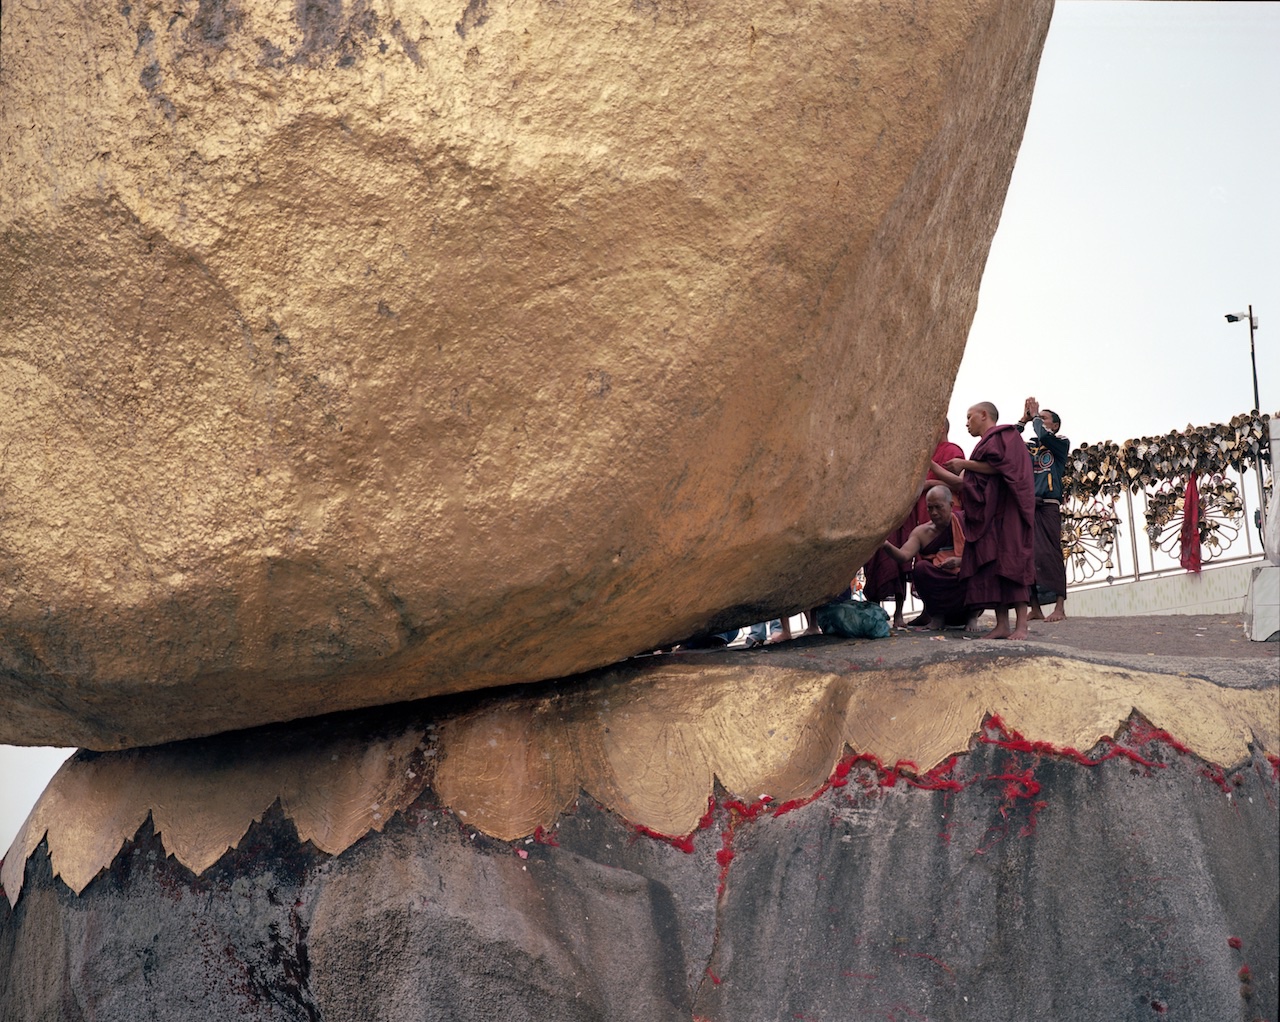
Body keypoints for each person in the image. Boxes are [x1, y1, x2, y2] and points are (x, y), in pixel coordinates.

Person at [945, 402, 1035, 639]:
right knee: (992, 566)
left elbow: (1004, 467)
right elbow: (967, 481)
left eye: (969, 417)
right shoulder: (985, 443)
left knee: (1012, 563)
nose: (966, 423)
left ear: (984, 415)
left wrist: (964, 464)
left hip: (1007, 511)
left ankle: (1022, 626)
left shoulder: (1005, 435)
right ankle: (1002, 625)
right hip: (988, 513)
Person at [881, 484, 968, 629]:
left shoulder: (965, 523)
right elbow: (904, 556)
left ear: (951, 505)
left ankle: (972, 617)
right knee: (921, 568)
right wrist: (885, 545)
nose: (933, 513)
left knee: (977, 568)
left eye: (938, 507)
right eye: (930, 508)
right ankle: (937, 616)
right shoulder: (922, 532)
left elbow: (980, 555)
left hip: (963, 590)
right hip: (941, 584)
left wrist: (960, 561)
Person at [1017, 397, 1069, 622]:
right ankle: (1035, 607)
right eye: (1039, 418)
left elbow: (1045, 436)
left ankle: (1059, 607)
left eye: (1045, 418)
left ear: (1055, 425)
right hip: (1029, 506)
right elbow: (1006, 443)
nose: (1039, 420)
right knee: (1027, 555)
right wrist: (1023, 419)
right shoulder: (1028, 446)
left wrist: (1036, 417)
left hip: (1048, 506)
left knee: (1050, 553)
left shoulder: (1060, 442)